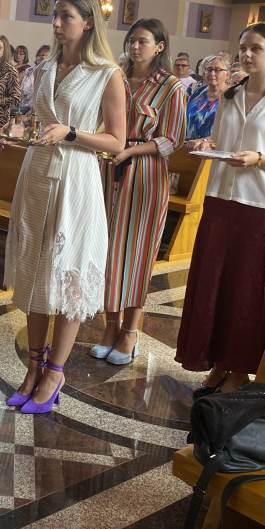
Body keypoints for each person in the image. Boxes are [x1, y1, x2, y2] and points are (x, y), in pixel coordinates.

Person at [3, 0, 126, 413]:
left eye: (66, 16)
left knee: (67, 274)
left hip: (76, 177)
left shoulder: (106, 73)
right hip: (36, 174)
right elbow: (38, 118)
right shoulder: (47, 65)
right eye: (54, 15)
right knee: (37, 272)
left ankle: (55, 372)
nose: (56, 24)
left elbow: (117, 139)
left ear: (89, 21)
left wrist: (72, 133)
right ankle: (33, 367)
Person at [176, 22, 265, 395]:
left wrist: (260, 160)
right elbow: (221, 140)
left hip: (259, 208)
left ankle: (240, 369)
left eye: (255, 48)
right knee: (217, 286)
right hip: (221, 201)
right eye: (242, 49)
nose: (247, 55)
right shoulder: (230, 96)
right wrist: (206, 145)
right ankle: (218, 363)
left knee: (249, 292)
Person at [94, 18, 186, 365]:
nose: (135, 47)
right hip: (108, 167)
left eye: (143, 41)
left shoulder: (171, 87)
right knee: (107, 249)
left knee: (136, 252)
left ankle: (130, 330)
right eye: (131, 40)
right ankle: (109, 325)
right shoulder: (115, 76)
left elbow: (171, 138)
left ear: (159, 46)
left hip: (144, 172)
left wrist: (131, 150)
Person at [184, 55, 228, 149]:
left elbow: (231, 130)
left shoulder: (232, 96)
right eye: (209, 69)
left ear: (227, 75)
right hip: (190, 148)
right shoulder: (197, 92)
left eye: (217, 70)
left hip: (214, 150)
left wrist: (203, 141)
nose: (212, 73)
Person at [19, 44, 51, 109]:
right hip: (22, 107)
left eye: (46, 55)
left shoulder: (51, 73)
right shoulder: (29, 71)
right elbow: (18, 89)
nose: (43, 57)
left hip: (38, 110)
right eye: (40, 55)